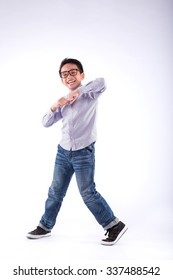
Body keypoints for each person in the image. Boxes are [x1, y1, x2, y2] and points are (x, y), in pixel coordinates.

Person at [27, 58, 127, 245]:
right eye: (64, 74)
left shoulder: (90, 94)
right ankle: (45, 226)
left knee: (88, 192)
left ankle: (114, 225)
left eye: (73, 72)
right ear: (61, 80)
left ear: (82, 75)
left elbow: (102, 81)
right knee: (55, 191)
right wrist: (55, 105)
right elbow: (45, 122)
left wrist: (78, 92)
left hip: (83, 153)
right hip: (63, 152)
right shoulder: (63, 102)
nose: (69, 76)